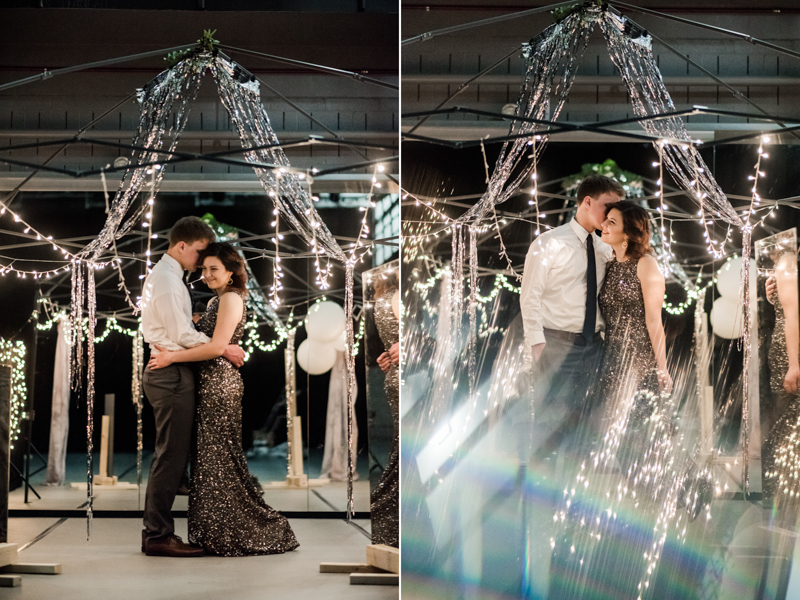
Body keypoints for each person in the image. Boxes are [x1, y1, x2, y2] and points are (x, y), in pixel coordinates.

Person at [148, 242, 299, 556]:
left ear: (232, 271)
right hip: (210, 383)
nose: (206, 275)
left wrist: (172, 357)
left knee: (218, 462)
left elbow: (217, 348)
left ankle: (234, 530)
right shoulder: (221, 300)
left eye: (213, 269)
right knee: (209, 463)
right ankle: (216, 530)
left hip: (219, 385)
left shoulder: (231, 298)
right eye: (203, 269)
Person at [140, 216, 244, 558]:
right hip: (168, 372)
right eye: (199, 253)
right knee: (169, 457)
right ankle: (157, 535)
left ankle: (165, 529)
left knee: (174, 455)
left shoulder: (169, 278)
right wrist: (223, 346)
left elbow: (181, 326)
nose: (201, 262)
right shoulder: (169, 281)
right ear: (181, 245)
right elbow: (181, 336)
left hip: (175, 370)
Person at [518, 175, 624, 473]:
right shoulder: (548, 243)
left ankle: (574, 487)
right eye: (608, 206)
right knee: (548, 417)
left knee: (586, 418)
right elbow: (530, 297)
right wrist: (538, 344)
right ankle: (539, 484)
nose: (612, 214)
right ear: (587, 202)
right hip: (555, 343)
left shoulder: (606, 249)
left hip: (594, 346)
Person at [597, 201, 672, 478]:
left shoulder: (646, 264)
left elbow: (654, 321)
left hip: (640, 361)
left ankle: (662, 492)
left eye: (612, 222)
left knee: (639, 438)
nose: (604, 225)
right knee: (618, 436)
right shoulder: (610, 264)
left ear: (628, 233)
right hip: (614, 360)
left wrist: (662, 367)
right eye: (606, 221)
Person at [371, 276, 399, 547]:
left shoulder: (380, 299)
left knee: (402, 450)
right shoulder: (398, 295)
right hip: (408, 378)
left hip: (394, 377)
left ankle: (387, 518)